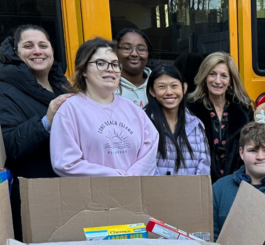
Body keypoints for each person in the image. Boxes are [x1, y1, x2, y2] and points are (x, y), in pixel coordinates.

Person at [0, 24, 72, 240]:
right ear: (16, 54)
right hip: (34, 196)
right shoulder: (4, 92)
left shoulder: (65, 87)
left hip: (70, 191)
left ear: (52, 52)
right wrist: (47, 120)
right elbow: (9, 146)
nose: (37, 51)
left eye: (43, 45)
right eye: (28, 46)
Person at [50, 37, 159, 177]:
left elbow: (150, 150)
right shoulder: (70, 110)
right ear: (84, 70)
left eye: (115, 64)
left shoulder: (133, 109)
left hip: (134, 193)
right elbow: (65, 163)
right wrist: (118, 178)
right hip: (92, 196)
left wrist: (131, 180)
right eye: (100, 63)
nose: (110, 69)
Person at [188, 52, 254, 182]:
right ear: (205, 76)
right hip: (202, 184)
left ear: (230, 80)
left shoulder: (245, 109)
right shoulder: (190, 109)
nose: (218, 81)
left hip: (238, 182)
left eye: (224, 76)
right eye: (212, 74)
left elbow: (252, 147)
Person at [145, 63, 211, 176]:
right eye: (161, 86)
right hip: (155, 192)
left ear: (184, 88)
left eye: (174, 86)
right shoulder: (143, 123)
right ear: (152, 91)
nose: (169, 92)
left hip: (191, 192)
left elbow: (204, 165)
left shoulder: (196, 125)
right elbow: (144, 166)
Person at [114, 28, 153, 108]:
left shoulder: (158, 83)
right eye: (127, 48)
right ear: (115, 51)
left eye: (141, 49)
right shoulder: (108, 86)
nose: (134, 54)